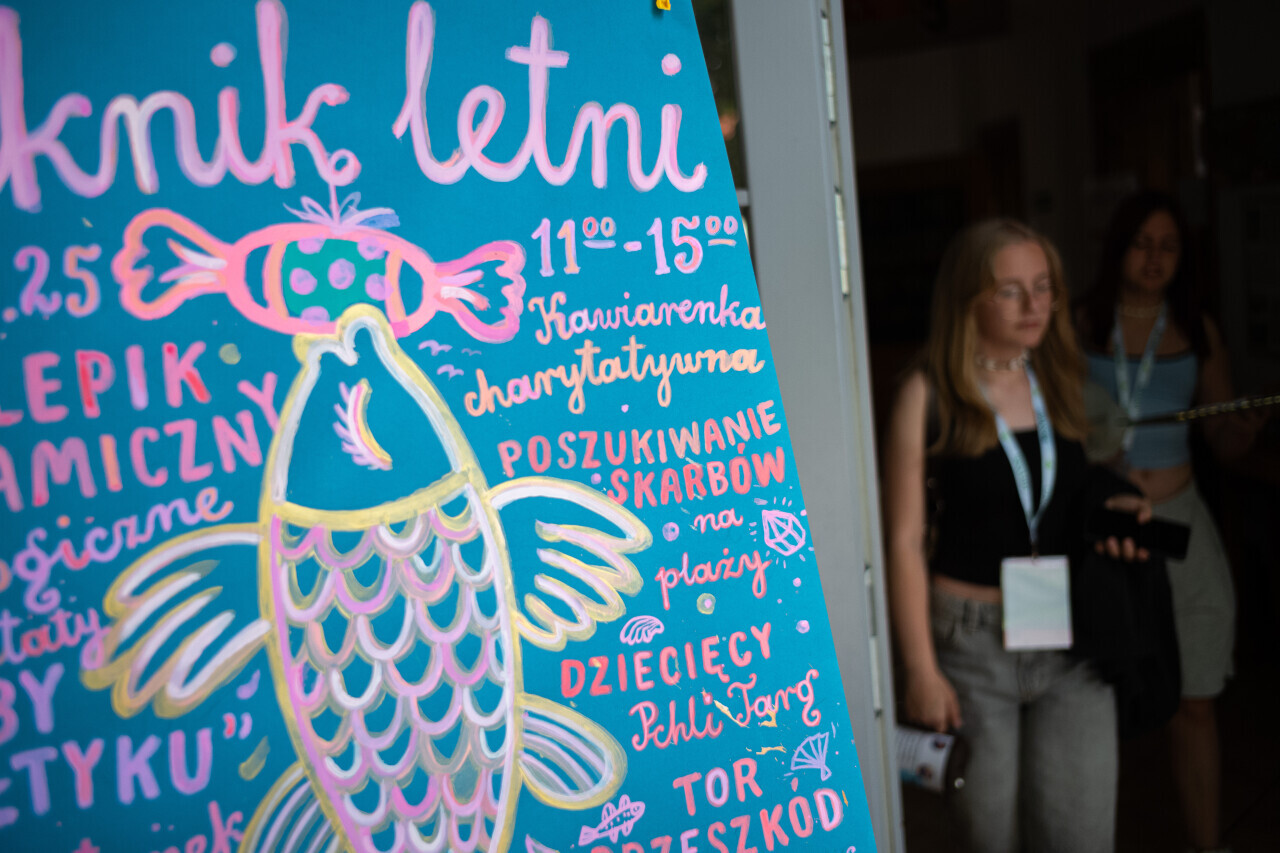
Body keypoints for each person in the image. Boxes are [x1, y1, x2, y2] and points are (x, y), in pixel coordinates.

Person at [883, 219, 1150, 853]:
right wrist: (919, 668)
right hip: (971, 643)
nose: (1034, 305)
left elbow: (1072, 492)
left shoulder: (1059, 379)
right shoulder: (927, 394)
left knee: (1081, 836)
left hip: (1070, 634)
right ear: (967, 298)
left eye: (1043, 286)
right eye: (1010, 290)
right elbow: (903, 543)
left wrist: (1117, 503)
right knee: (989, 837)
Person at [1079, 190, 1261, 853]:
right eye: (1142, 243)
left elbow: (1223, 440)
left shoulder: (1197, 329)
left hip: (1179, 517)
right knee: (1092, 698)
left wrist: (1243, 429)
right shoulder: (1077, 324)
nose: (1155, 257)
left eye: (1169, 246)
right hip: (1102, 524)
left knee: (1197, 697)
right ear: (1118, 247)